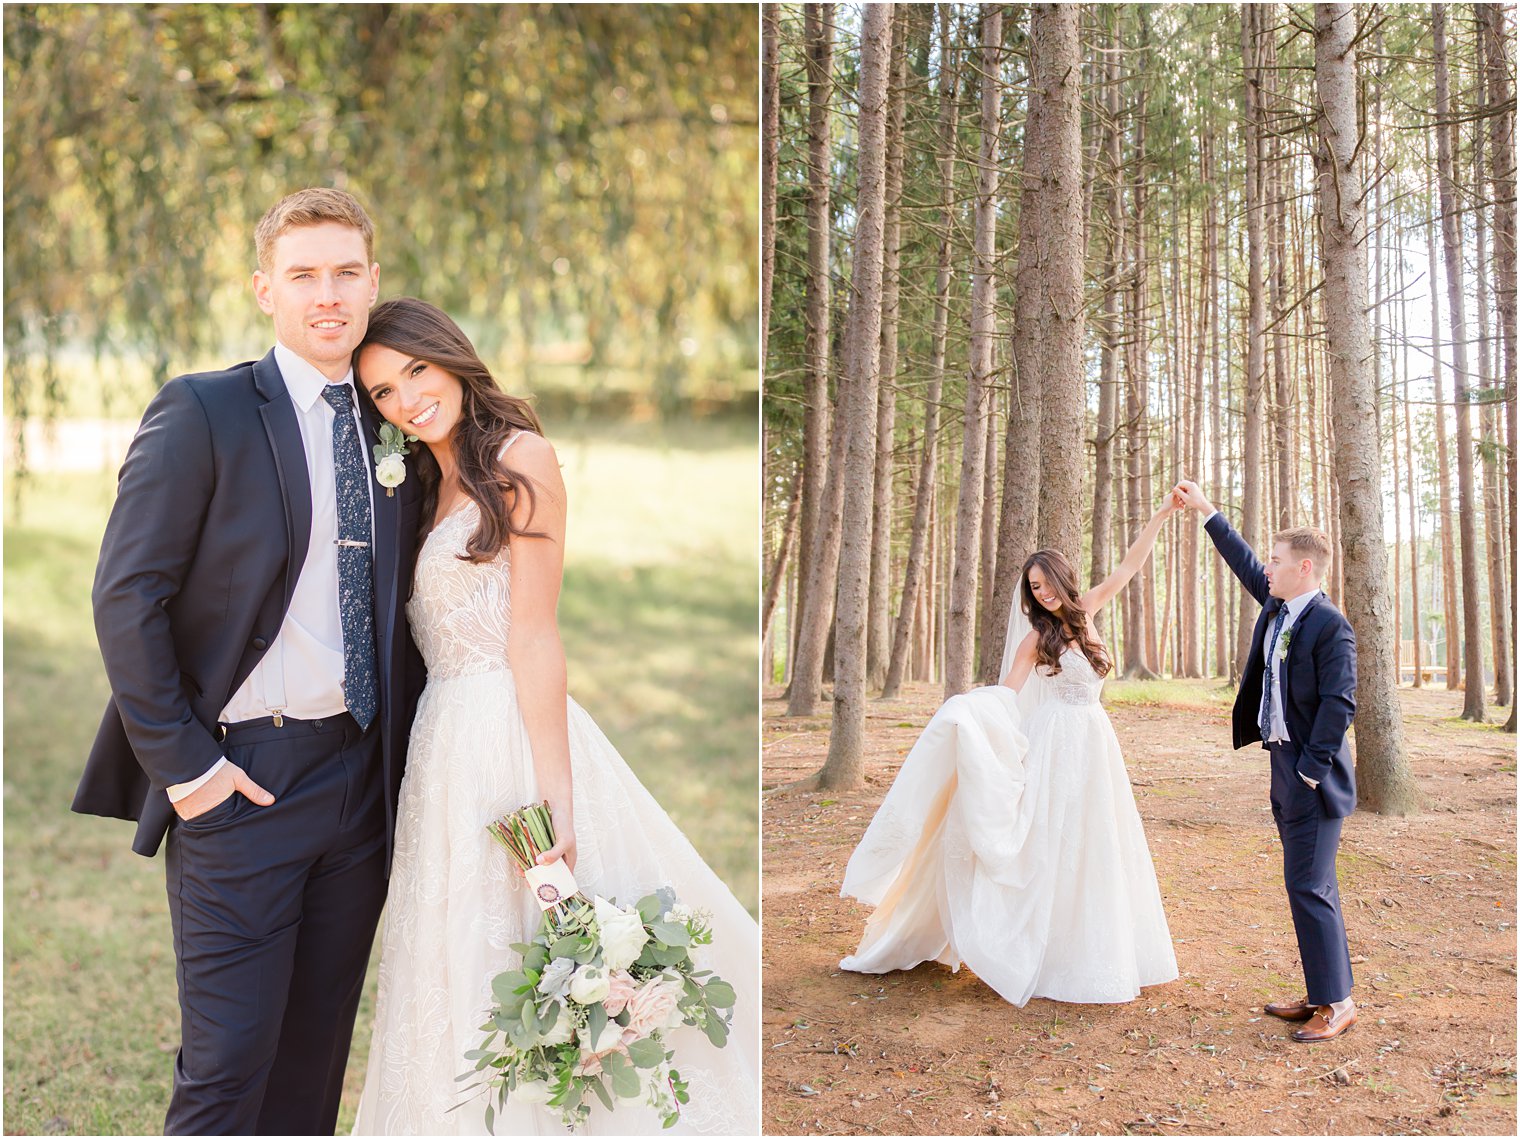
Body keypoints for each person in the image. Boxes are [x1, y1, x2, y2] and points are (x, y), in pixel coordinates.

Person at [348, 298, 760, 1135]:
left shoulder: (519, 456)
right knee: (451, 948)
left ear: (453, 357)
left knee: (530, 941)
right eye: (384, 391)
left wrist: (556, 793)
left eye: (416, 371)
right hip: (441, 745)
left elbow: (534, 636)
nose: (407, 400)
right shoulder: (422, 481)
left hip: (505, 729)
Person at [74, 188, 426, 1133]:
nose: (328, 295)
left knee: (312, 1073)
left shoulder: (400, 422)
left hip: (359, 784)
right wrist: (188, 770)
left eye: (346, 272)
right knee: (229, 1072)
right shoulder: (206, 410)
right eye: (304, 274)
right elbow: (126, 596)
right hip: (240, 779)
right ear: (264, 289)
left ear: (373, 283)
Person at [839, 496, 1182, 1006]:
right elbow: (1008, 692)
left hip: (1094, 742)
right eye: (1033, 589)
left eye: (1045, 585)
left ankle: (1089, 942)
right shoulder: (1034, 639)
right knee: (1047, 841)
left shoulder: (1086, 613)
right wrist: (969, 710)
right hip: (1054, 744)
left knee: (1094, 838)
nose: (1040, 596)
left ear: (1063, 582)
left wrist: (1159, 516)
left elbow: (1129, 567)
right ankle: (1035, 945)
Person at [1172, 479, 1357, 1043]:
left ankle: (1340, 1003)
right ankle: (1322, 991)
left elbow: (1339, 702)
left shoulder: (1331, 625)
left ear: (1305, 568)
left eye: (1277, 561)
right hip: (1281, 768)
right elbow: (1244, 563)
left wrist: (1309, 770)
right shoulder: (1278, 605)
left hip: (1312, 778)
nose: (1268, 568)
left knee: (1309, 884)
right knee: (1306, 883)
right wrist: (1206, 511)